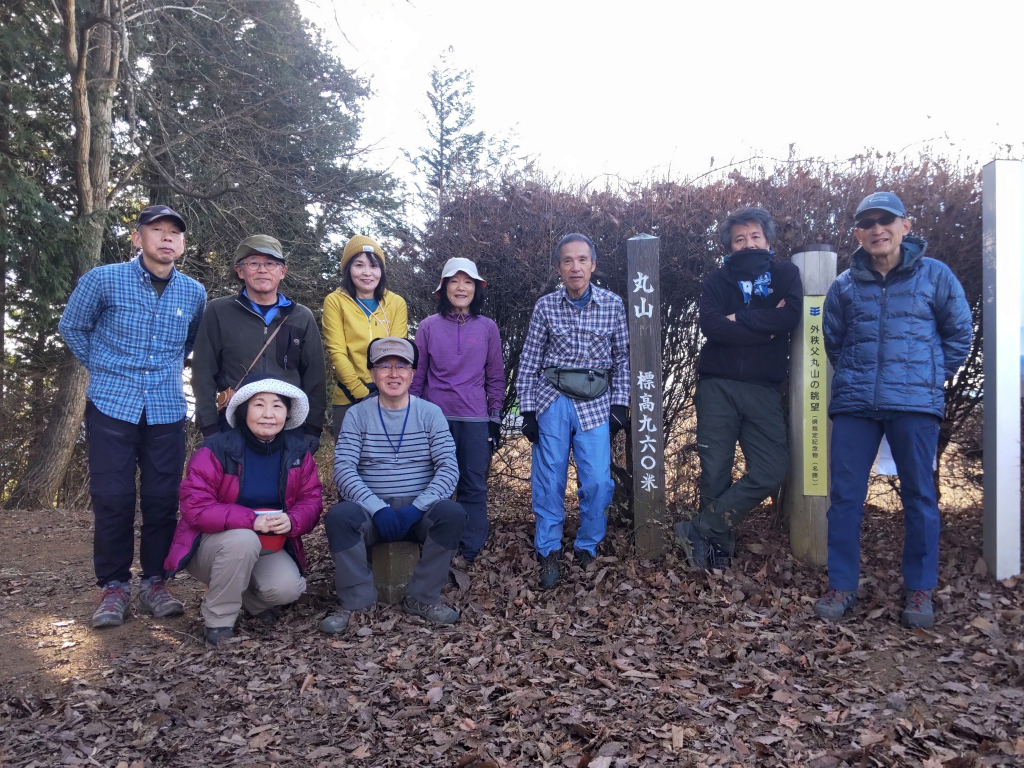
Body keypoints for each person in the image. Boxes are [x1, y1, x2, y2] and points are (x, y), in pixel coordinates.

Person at [815, 192, 971, 629]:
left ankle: (919, 588)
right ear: (857, 233)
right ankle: (842, 584)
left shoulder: (935, 276)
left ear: (906, 225)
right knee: (845, 497)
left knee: (920, 495)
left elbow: (959, 335)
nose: (877, 229)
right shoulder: (844, 285)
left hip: (916, 405)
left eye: (886, 220)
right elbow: (835, 342)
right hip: (855, 405)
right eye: (868, 222)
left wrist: (929, 376)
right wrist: (858, 378)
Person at [58, 204, 207, 629]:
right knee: (114, 498)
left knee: (162, 500)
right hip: (111, 405)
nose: (165, 238)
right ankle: (114, 587)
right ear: (137, 237)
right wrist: (102, 368)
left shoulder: (193, 292)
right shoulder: (103, 279)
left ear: (181, 243)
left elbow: (192, 342)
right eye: (156, 230)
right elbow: (72, 326)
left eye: (174, 233)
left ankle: (155, 582)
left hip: (166, 407)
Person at [673, 207, 802, 570]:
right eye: (739, 239)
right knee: (716, 470)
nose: (748, 243)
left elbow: (789, 317)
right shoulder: (717, 281)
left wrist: (740, 319)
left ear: (768, 240)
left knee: (771, 469)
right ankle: (716, 550)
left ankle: (700, 528)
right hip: (718, 385)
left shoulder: (785, 274)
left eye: (755, 236)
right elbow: (713, 328)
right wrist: (765, 327)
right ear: (729, 247)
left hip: (762, 388)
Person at [320, 337, 465, 633]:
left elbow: (449, 468)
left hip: (419, 511)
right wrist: (376, 508)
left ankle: (423, 597)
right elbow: (344, 469)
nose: (393, 374)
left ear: (413, 373)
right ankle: (357, 603)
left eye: (402, 366)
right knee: (339, 517)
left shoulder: (430, 413)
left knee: (452, 513)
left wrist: (417, 508)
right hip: (372, 513)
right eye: (384, 366)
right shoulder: (357, 415)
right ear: (372, 374)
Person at [165, 375, 323, 645]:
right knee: (243, 539)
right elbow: (195, 506)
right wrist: (251, 521)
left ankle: (249, 598)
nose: (268, 414)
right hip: (213, 546)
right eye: (259, 405)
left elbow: (311, 499)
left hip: (269, 545)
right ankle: (219, 621)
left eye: (277, 406)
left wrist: (293, 520)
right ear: (244, 411)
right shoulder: (217, 450)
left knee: (287, 589)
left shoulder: (297, 452)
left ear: (287, 413)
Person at [515, 233, 630, 589]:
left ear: (593, 265)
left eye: (582, 260)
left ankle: (587, 544)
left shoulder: (612, 304)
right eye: (567, 261)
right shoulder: (545, 307)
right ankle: (547, 549)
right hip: (552, 399)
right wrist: (528, 410)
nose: (575, 267)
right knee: (549, 480)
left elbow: (623, 358)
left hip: (595, 400)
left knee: (597, 480)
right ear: (559, 268)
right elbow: (531, 359)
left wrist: (621, 404)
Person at [191, 235, 326, 455]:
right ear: (240, 271)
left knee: (285, 487)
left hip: (287, 425)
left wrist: (312, 429)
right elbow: (203, 372)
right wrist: (210, 428)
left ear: (282, 271)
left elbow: (315, 377)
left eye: (271, 263)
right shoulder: (218, 312)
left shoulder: (301, 316)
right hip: (233, 423)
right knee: (233, 487)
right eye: (253, 263)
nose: (263, 270)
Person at [410, 258, 505, 562]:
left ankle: (470, 548)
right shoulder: (427, 327)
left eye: (468, 282)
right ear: (443, 287)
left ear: (477, 289)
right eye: (454, 281)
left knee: (473, 484)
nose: (461, 287)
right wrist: (410, 416)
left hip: (475, 419)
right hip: (433, 418)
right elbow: (418, 375)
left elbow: (495, 376)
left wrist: (494, 418)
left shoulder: (488, 328)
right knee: (430, 481)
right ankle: (433, 543)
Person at [322, 235, 408, 443]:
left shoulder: (396, 303)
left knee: (385, 466)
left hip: (387, 397)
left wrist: (384, 393)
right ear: (348, 269)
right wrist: (360, 392)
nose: (367, 272)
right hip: (347, 398)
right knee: (348, 466)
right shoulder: (335, 301)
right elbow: (337, 352)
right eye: (359, 265)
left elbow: (397, 352)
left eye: (374, 266)